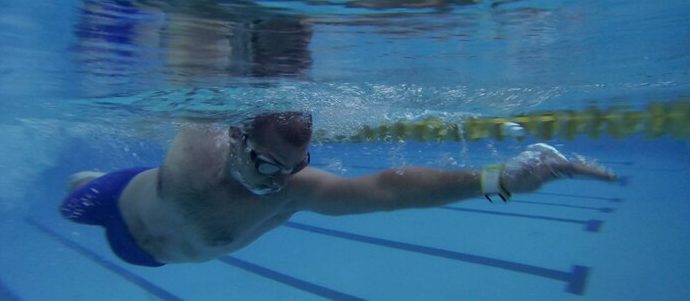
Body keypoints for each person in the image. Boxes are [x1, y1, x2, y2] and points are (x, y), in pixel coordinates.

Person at [60, 112, 617, 267]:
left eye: (295, 164)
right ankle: (89, 176)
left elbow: (388, 189)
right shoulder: (194, 145)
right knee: (70, 201)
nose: (279, 177)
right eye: (263, 162)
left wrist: (499, 180)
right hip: (114, 203)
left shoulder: (292, 188)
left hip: (150, 260)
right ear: (232, 139)